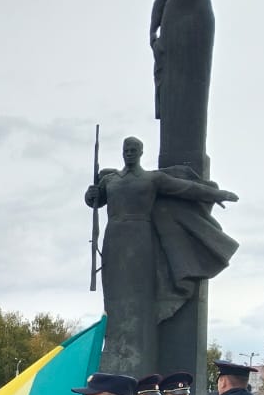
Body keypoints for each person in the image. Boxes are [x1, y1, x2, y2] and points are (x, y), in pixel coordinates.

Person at [86, 137, 240, 376]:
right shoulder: (111, 180)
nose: (129, 153)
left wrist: (217, 194)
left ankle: (138, 360)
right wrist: (91, 193)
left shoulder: (152, 179)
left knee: (141, 299)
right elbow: (94, 201)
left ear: (140, 152)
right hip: (114, 240)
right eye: (126, 150)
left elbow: (186, 189)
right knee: (114, 300)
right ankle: (116, 353)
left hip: (140, 239)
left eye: (133, 150)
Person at [150, 0, 255, 171]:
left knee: (195, 84)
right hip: (172, 18)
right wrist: (152, 31)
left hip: (198, 14)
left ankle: (193, 154)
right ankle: (171, 155)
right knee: (171, 86)